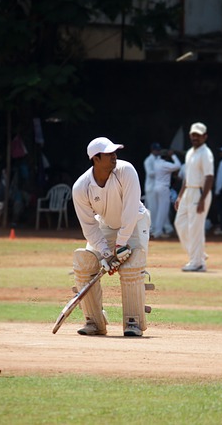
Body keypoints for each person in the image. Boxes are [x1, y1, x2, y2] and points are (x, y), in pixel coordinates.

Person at [71, 136, 151, 337]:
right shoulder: (81, 187)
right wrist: (106, 252)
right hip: (105, 224)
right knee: (84, 263)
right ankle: (94, 320)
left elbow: (130, 211)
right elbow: (89, 226)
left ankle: (133, 321)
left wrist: (121, 246)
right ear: (95, 159)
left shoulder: (126, 171)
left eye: (115, 152)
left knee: (131, 264)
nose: (114, 156)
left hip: (135, 222)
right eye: (108, 154)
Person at [174, 122, 214, 272]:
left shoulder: (206, 153)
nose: (195, 138)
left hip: (199, 191)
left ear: (205, 137)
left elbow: (209, 177)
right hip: (188, 191)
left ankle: (198, 263)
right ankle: (198, 254)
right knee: (180, 223)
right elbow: (186, 177)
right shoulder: (190, 152)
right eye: (193, 135)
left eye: (198, 135)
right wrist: (179, 196)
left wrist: (203, 199)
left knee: (195, 228)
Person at [144, 142, 173, 236]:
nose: (158, 152)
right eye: (156, 150)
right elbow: (150, 173)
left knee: (161, 208)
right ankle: (152, 228)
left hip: (157, 186)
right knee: (153, 208)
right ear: (152, 150)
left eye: (158, 150)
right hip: (151, 187)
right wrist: (160, 171)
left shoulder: (158, 160)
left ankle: (164, 227)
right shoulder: (148, 160)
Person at [151, 149, 181, 239]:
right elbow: (178, 165)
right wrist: (173, 155)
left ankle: (157, 230)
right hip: (163, 188)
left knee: (159, 210)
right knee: (163, 211)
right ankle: (158, 231)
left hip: (156, 187)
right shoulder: (165, 165)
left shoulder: (156, 162)